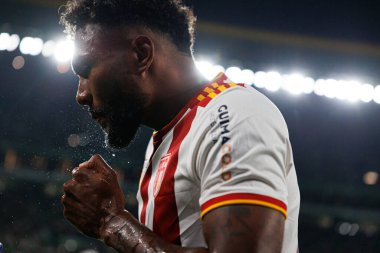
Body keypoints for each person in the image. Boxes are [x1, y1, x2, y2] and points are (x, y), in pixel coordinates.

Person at [60, 0, 300, 252]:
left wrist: (112, 222)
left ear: (141, 54)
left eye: (86, 70)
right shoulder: (169, 137)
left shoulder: (234, 115)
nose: (81, 95)